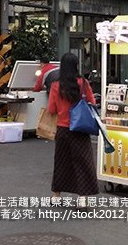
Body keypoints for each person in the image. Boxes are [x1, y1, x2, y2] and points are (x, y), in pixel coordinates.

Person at [47, 53, 98, 199]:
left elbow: (51, 109)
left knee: (61, 163)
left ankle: (56, 196)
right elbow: (92, 103)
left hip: (63, 129)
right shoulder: (83, 83)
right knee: (83, 162)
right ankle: (82, 198)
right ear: (76, 66)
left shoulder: (56, 85)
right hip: (81, 129)